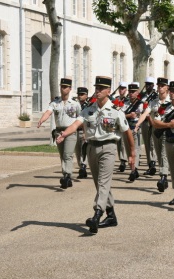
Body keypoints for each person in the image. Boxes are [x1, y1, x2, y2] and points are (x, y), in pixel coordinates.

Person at [56, 76, 135, 234]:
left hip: (108, 148)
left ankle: (97, 215)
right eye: (96, 88)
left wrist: (132, 152)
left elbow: (127, 132)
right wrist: (64, 134)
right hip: (92, 148)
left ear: (107, 91)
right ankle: (111, 215)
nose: (97, 91)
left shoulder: (115, 111)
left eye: (100, 89)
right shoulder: (89, 110)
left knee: (103, 182)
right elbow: (76, 124)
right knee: (100, 185)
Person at [37, 78, 81, 189]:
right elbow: (48, 112)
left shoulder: (75, 103)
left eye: (65, 87)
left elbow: (80, 118)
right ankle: (68, 178)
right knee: (62, 155)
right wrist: (42, 119)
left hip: (71, 131)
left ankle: (66, 175)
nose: (63, 89)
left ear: (70, 88)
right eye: (61, 86)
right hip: (59, 131)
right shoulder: (55, 102)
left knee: (67, 154)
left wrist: (83, 133)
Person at [75, 87, 89, 179]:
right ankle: (81, 167)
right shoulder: (74, 105)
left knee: (84, 150)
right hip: (75, 131)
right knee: (77, 151)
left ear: (86, 95)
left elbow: (87, 120)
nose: (80, 96)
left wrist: (85, 132)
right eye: (79, 94)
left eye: (82, 94)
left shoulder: (89, 106)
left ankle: (83, 166)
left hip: (84, 131)